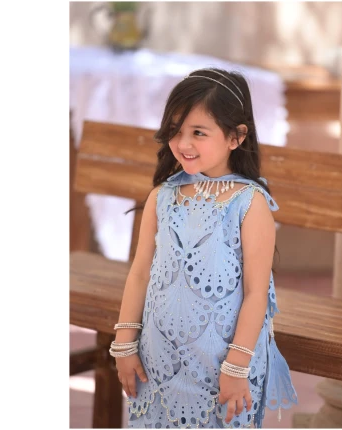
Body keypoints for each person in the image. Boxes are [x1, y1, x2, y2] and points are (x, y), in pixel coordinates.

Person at [110, 68, 298, 428]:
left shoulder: (249, 203)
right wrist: (125, 343)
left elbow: (256, 293)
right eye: (176, 131)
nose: (183, 143)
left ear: (236, 136)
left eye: (198, 132)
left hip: (222, 366)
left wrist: (237, 366)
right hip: (158, 358)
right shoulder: (162, 196)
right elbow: (140, 274)